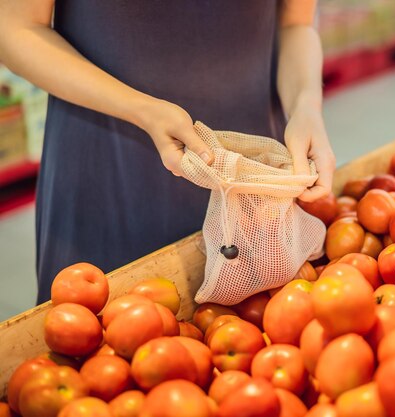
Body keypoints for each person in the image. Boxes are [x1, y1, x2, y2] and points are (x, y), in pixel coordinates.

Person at [0, 0, 335, 304]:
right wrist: (140, 109)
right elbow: (15, 28)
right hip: (110, 166)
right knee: (101, 342)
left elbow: (295, 23)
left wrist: (306, 105)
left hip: (251, 176)